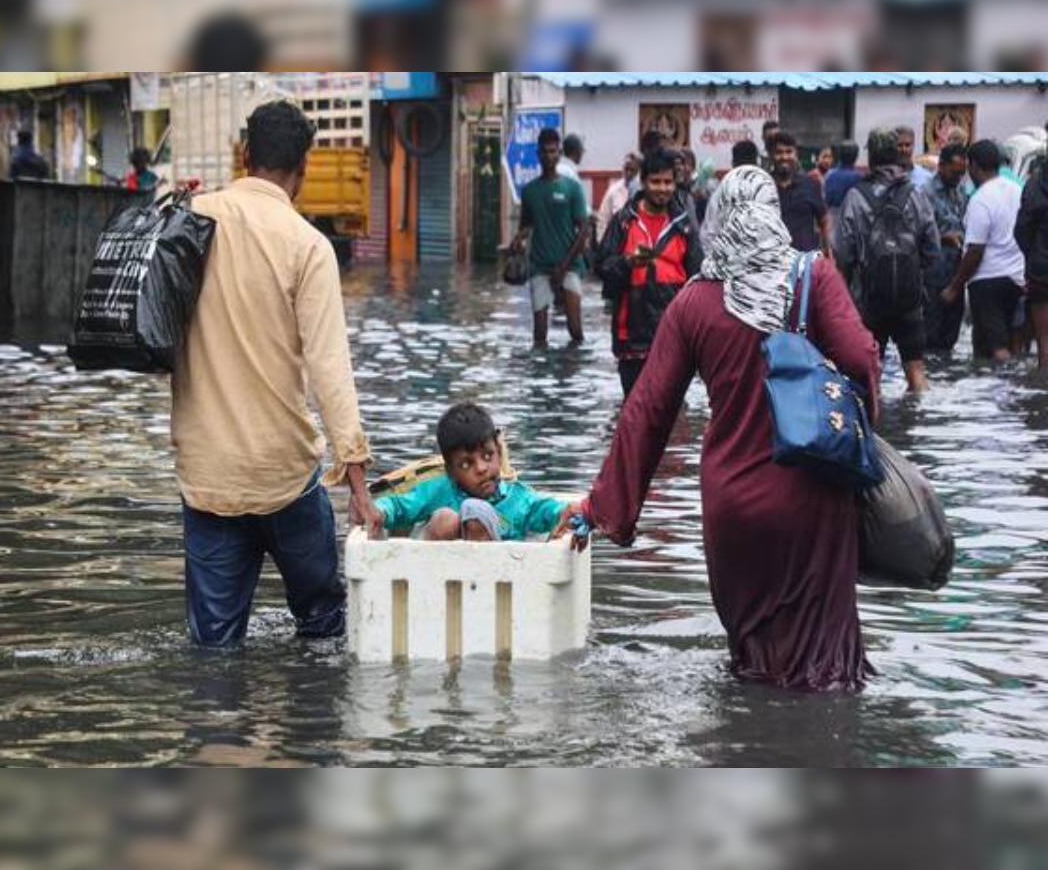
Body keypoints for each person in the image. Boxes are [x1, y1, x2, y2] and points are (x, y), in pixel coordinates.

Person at [569, 165, 880, 691]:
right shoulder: (813, 276)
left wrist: (603, 509)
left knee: (752, 663)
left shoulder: (694, 301)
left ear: (717, 219)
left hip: (733, 506)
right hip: (812, 498)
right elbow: (861, 359)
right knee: (824, 671)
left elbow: (646, 411)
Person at [172, 100, 379, 647]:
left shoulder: (189, 220)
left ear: (244, 155)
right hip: (284, 475)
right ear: (303, 171)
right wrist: (358, 486)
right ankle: (312, 729)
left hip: (207, 476)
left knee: (213, 651)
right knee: (325, 630)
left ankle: (216, 732)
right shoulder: (307, 245)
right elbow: (330, 370)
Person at [375, 403, 580, 542]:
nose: (481, 468)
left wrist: (567, 512)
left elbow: (548, 510)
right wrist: (379, 511)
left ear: (499, 453)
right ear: (451, 471)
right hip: (438, 588)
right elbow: (398, 505)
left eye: (488, 456)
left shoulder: (519, 499)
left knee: (476, 513)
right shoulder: (439, 490)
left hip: (501, 590)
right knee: (446, 519)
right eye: (466, 465)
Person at [836, 127, 938, 393]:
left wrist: (846, 293)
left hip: (870, 299)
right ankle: (919, 424)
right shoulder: (916, 194)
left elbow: (843, 253)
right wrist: (915, 274)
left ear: (871, 158)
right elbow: (933, 248)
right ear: (897, 155)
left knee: (871, 370)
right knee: (915, 369)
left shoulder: (855, 197)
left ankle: (875, 426)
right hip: (909, 297)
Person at [596, 149, 703, 398]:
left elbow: (698, 281)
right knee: (635, 412)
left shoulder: (684, 227)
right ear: (643, 183)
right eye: (656, 182)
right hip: (631, 336)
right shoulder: (623, 221)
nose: (662, 188)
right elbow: (601, 266)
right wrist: (627, 263)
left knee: (669, 414)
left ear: (675, 184)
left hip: (674, 336)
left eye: (668, 182)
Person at [941, 140, 1027, 362]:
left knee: (995, 347)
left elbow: (975, 251)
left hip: (988, 282)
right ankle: (1009, 389)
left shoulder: (981, 199)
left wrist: (954, 286)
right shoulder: (1017, 191)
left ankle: (1004, 384)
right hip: (1017, 279)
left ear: (974, 166)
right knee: (1004, 342)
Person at [510, 127, 590, 347]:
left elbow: (583, 229)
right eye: (544, 152)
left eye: (553, 151)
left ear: (559, 153)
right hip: (540, 266)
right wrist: (518, 240)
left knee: (576, 331)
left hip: (571, 266)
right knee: (539, 336)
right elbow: (526, 225)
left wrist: (564, 267)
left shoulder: (572, 188)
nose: (548, 156)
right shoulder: (529, 192)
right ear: (538, 154)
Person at [922, 143, 970, 353]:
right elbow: (915, 233)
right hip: (932, 276)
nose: (958, 178)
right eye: (954, 172)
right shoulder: (925, 193)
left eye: (962, 173)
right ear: (941, 166)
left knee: (951, 337)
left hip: (956, 275)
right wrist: (942, 238)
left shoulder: (961, 192)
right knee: (929, 337)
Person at [771, 131, 832, 257]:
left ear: (796, 154)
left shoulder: (810, 184)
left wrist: (828, 254)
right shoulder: (765, 186)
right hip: (772, 266)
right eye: (779, 152)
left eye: (789, 152)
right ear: (772, 155)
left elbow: (824, 220)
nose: (784, 157)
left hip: (804, 266)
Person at [1016, 143, 1048, 368]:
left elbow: (1021, 230)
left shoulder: (1035, 184)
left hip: (1041, 270)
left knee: (1044, 339)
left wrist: (1033, 255)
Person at [700, 140, 759, 253]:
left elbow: (708, 236)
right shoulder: (764, 192)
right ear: (756, 164)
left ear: (733, 163)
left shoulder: (720, 193)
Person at [823, 141, 863, 243]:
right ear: (856, 156)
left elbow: (826, 201)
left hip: (832, 223)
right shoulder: (859, 178)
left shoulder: (830, 175)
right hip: (852, 226)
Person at [596, 152, 640, 243]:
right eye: (626, 169)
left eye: (632, 170)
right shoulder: (613, 191)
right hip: (616, 244)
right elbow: (603, 219)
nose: (628, 173)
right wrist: (601, 242)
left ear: (638, 171)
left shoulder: (643, 191)